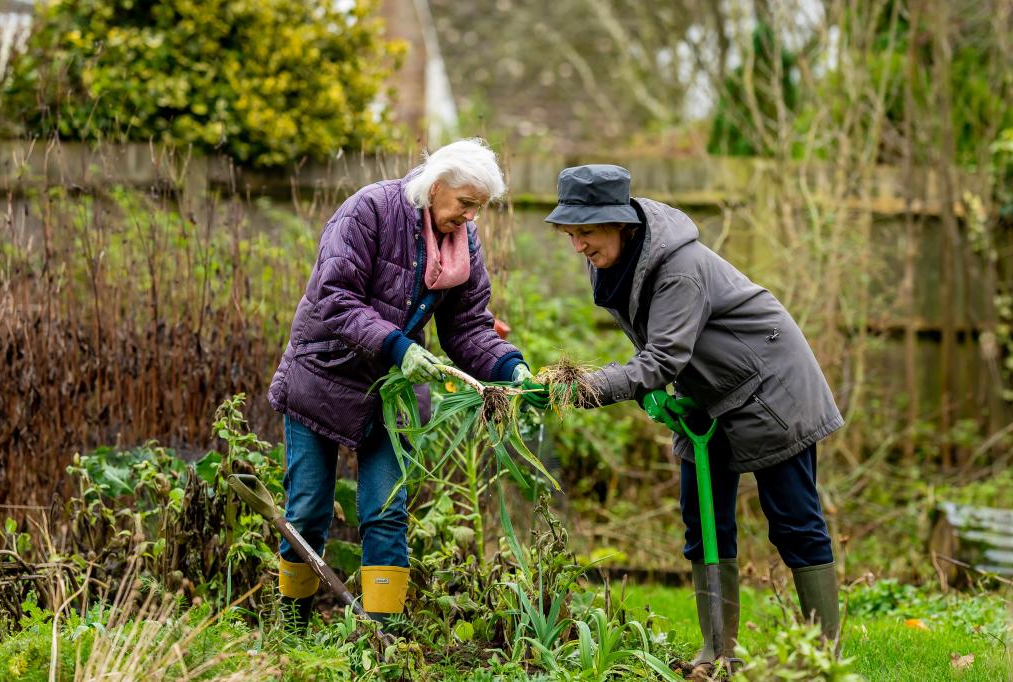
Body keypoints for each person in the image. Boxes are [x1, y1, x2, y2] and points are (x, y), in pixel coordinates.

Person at [524, 164, 843, 670]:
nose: (577, 245)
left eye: (585, 232)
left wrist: (588, 386)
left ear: (619, 223)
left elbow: (662, 358)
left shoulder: (678, 267)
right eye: (571, 234)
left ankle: (824, 659)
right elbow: (656, 349)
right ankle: (718, 654)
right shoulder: (613, 262)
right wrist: (651, 394)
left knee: (793, 522)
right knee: (703, 522)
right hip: (708, 397)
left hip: (771, 390)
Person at [267, 139, 533, 628]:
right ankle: (292, 628)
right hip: (323, 373)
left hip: (391, 390)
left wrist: (509, 366)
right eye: (465, 204)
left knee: (386, 512)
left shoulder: (461, 242)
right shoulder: (368, 211)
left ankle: (381, 639)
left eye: (478, 209)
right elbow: (335, 297)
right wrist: (399, 346)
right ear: (435, 187)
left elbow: (468, 327)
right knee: (307, 509)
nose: (471, 218)